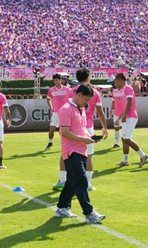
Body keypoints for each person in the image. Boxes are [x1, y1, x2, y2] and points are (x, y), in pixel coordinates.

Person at [54, 84, 105, 224]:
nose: (87, 103)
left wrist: (90, 136)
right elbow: (64, 132)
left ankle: (62, 207)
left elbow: (80, 128)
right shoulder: (65, 109)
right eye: (86, 100)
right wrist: (83, 139)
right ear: (79, 95)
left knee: (72, 182)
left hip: (81, 150)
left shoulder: (81, 108)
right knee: (81, 181)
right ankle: (89, 213)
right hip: (71, 151)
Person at [54, 68, 108, 191]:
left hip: (72, 125)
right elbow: (100, 111)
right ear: (88, 78)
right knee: (88, 155)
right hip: (87, 125)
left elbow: (66, 107)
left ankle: (63, 179)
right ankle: (87, 183)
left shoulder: (71, 91)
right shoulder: (94, 92)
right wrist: (104, 127)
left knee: (66, 153)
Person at [111, 73, 148, 167]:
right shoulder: (123, 90)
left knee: (126, 138)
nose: (115, 83)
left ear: (120, 80)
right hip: (127, 116)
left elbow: (130, 102)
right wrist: (120, 118)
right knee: (124, 139)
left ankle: (143, 155)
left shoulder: (127, 88)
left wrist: (124, 115)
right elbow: (124, 106)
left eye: (116, 81)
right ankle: (125, 160)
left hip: (131, 116)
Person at [45, 73, 69, 151]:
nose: (56, 82)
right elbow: (48, 99)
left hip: (65, 112)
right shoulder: (51, 90)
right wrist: (51, 108)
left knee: (64, 130)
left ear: (60, 80)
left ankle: (66, 144)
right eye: (54, 80)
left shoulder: (66, 89)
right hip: (55, 113)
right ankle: (50, 142)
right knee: (51, 129)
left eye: (57, 80)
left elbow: (70, 99)